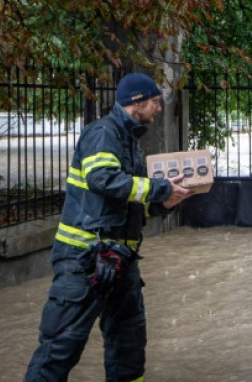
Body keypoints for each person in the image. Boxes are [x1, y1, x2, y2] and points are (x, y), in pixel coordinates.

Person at [24, 72, 192, 382]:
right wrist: (158, 189)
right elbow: (102, 180)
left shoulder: (130, 141)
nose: (158, 109)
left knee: (129, 346)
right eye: (155, 102)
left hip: (121, 260)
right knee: (60, 348)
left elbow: (130, 198)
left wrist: (163, 202)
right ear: (136, 102)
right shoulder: (102, 133)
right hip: (83, 259)